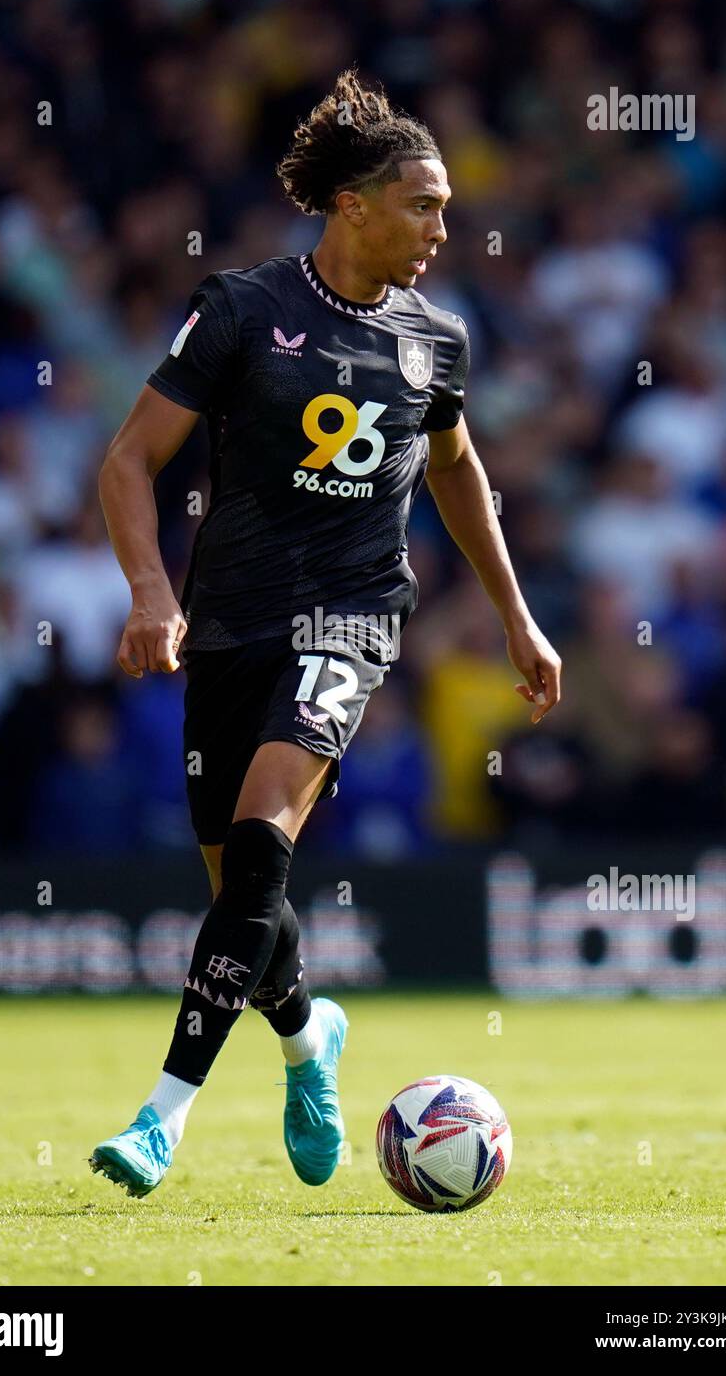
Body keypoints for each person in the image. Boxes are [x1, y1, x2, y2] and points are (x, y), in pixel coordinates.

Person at [89, 68, 561, 1198]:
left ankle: (161, 1117)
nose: (442, 231)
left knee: (259, 842)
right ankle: (310, 1041)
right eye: (422, 205)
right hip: (227, 627)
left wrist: (516, 614)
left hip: (350, 620)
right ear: (351, 202)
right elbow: (126, 459)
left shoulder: (434, 341)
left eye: (445, 209)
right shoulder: (243, 309)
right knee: (242, 900)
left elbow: (457, 472)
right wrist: (153, 591)